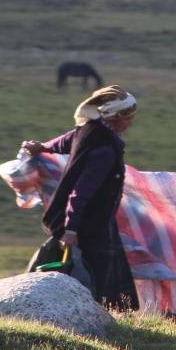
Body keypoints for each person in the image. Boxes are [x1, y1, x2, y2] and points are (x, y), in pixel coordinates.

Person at [20, 85, 140, 311]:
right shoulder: (104, 149)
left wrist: (43, 148)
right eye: (128, 118)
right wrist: (71, 229)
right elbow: (81, 191)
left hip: (89, 219)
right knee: (100, 271)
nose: (130, 123)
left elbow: (66, 141)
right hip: (87, 223)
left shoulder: (88, 130)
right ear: (116, 118)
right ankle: (102, 312)